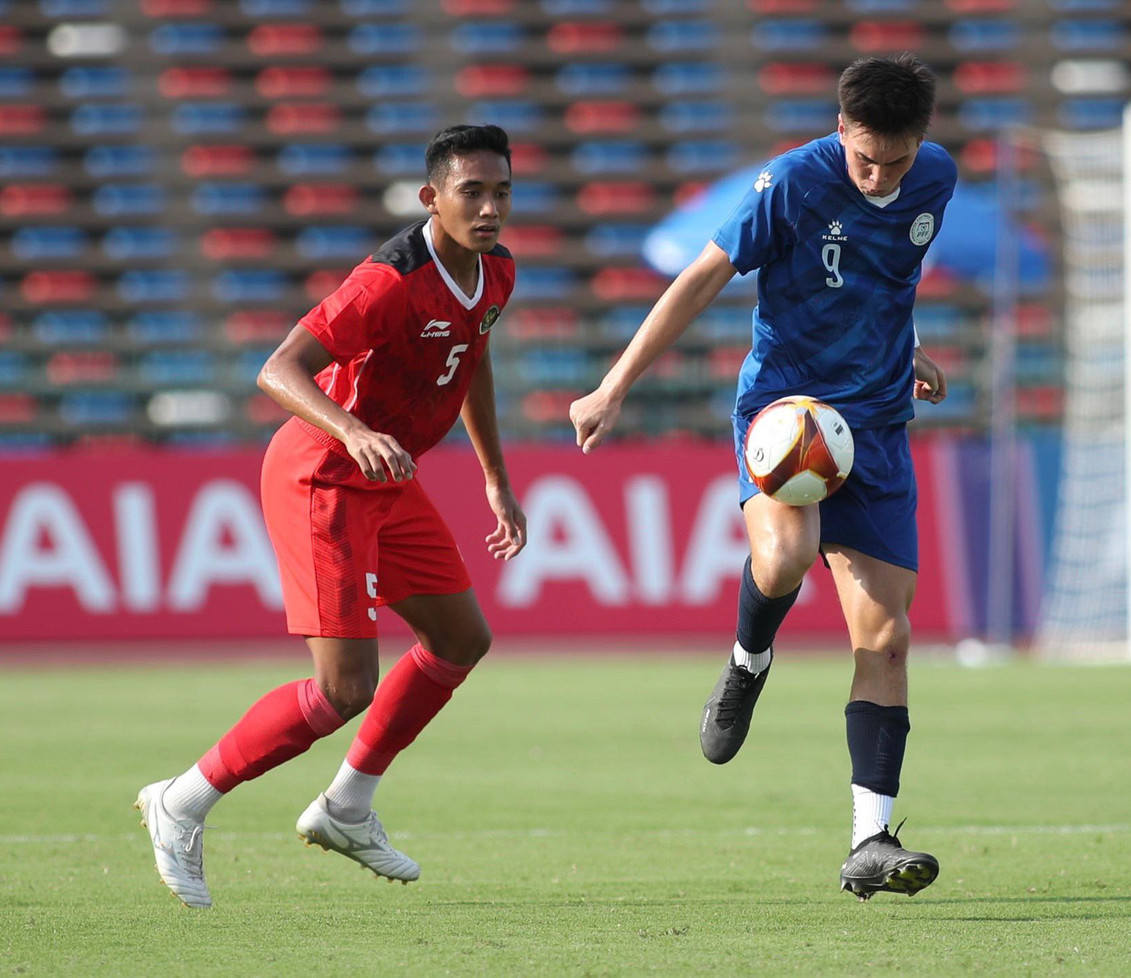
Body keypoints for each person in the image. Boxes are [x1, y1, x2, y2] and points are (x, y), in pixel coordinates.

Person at [570, 54, 955, 900]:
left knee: (885, 638)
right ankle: (749, 660)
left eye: (897, 160)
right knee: (783, 560)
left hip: (879, 427)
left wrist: (906, 348)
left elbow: (884, 278)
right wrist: (614, 385)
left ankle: (869, 841)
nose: (882, 176)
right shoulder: (790, 183)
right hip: (789, 418)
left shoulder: (936, 180)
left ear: (921, 142)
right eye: (865, 160)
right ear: (840, 129)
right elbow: (701, 280)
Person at [136, 124, 526, 909]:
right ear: (432, 199)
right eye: (471, 192)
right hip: (322, 476)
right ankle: (180, 801)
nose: (489, 208)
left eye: (502, 192)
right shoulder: (387, 280)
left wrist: (495, 476)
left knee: (461, 638)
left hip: (389, 478)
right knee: (343, 689)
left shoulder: (497, 273)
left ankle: (347, 807)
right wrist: (352, 428)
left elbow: (472, 361)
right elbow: (277, 368)